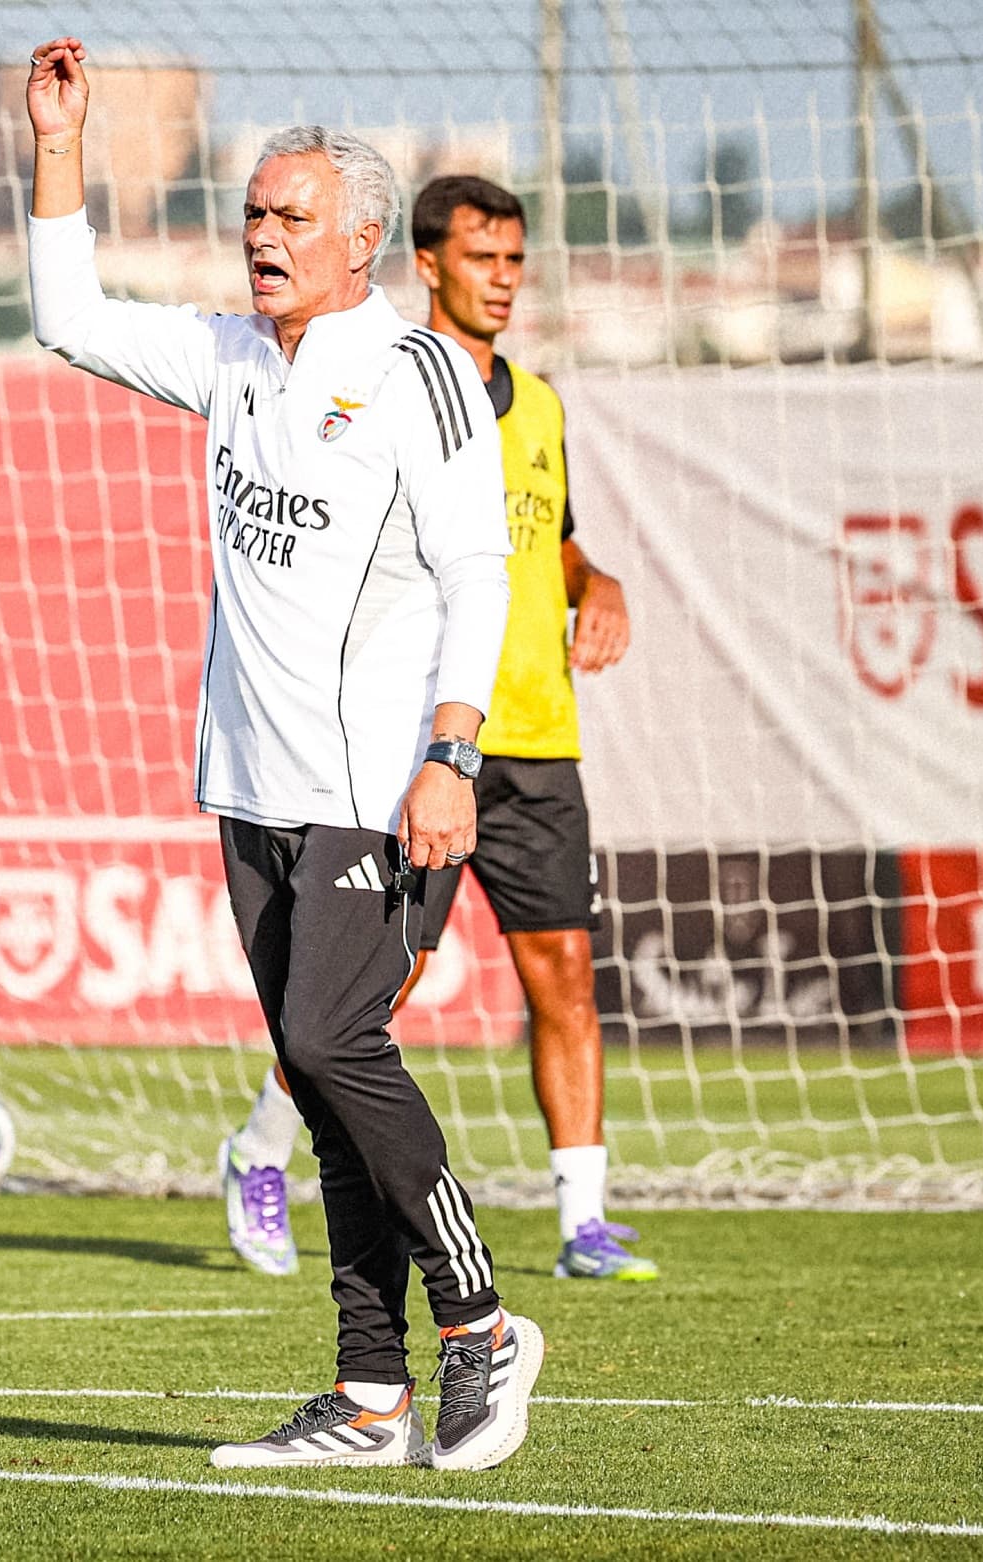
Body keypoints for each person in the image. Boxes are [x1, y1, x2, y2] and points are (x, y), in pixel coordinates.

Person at [26, 40, 542, 1472]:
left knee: (333, 1042)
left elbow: (481, 575)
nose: (260, 235)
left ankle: (482, 1323)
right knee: (316, 1085)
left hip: (376, 785)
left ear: (363, 240)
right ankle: (369, 1394)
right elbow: (66, 315)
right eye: (253, 213)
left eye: (290, 216)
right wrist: (63, 146)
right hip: (248, 780)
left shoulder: (420, 370)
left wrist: (452, 752)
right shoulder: (231, 353)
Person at [217, 174, 653, 1286]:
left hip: (538, 737)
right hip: (419, 744)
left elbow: (547, 542)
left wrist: (594, 578)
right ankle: (261, 1151)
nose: (503, 279)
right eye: (482, 258)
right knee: (370, 994)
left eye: (515, 260)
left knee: (562, 967)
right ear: (427, 262)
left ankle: (584, 1215)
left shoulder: (540, 403)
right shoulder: (395, 385)